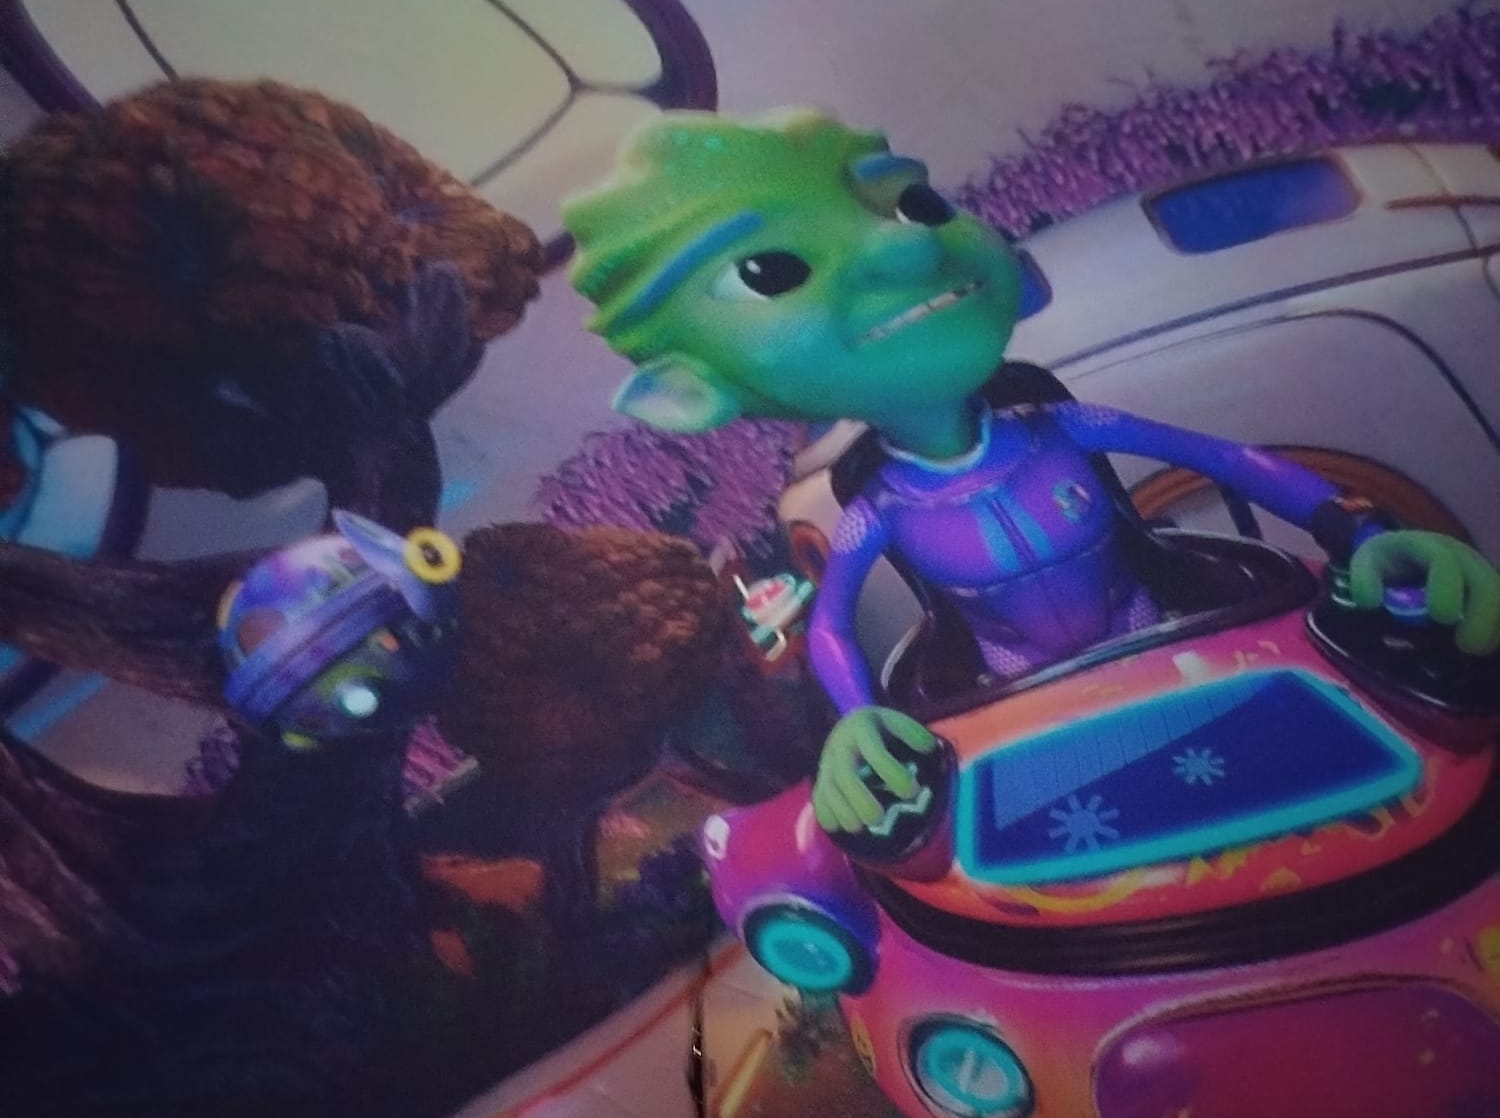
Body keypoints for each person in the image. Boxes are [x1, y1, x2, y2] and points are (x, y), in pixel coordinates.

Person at [563, 109, 1500, 837]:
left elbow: (1228, 461)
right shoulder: (875, 512)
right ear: (688, 392)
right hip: (1027, 721)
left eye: (911, 203)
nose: (906, 242)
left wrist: (1356, 530)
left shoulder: (1068, 426)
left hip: (1178, 650)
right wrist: (857, 720)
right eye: (770, 271)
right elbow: (836, 624)